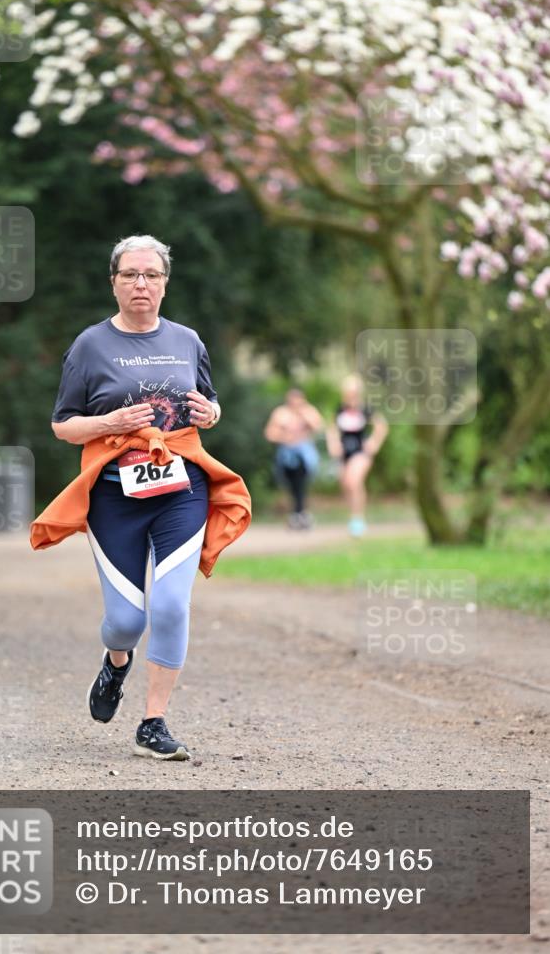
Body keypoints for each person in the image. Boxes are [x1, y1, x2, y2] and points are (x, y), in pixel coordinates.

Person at [33, 235, 251, 761]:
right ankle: (116, 663)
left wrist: (210, 415)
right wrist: (108, 423)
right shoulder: (90, 346)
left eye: (151, 275)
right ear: (114, 281)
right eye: (130, 275)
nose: (141, 285)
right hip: (114, 496)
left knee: (173, 605)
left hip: (181, 488)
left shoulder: (187, 340)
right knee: (127, 622)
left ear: (165, 283)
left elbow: (210, 403)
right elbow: (63, 426)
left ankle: (153, 722)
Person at [325, 374, 388, 536]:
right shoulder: (340, 409)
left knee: (354, 481)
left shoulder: (366, 409)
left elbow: (381, 426)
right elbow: (331, 429)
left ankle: (358, 519)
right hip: (345, 452)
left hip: (361, 452)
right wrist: (333, 444)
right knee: (345, 483)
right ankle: (352, 516)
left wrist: (374, 442)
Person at [264, 388, 324, 529]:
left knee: (301, 483)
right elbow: (269, 433)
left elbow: (318, 428)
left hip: (304, 454)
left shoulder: (308, 411)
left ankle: (300, 513)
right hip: (287, 455)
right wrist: (285, 437)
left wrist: (303, 417)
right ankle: (298, 513)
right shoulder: (281, 413)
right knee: (291, 484)